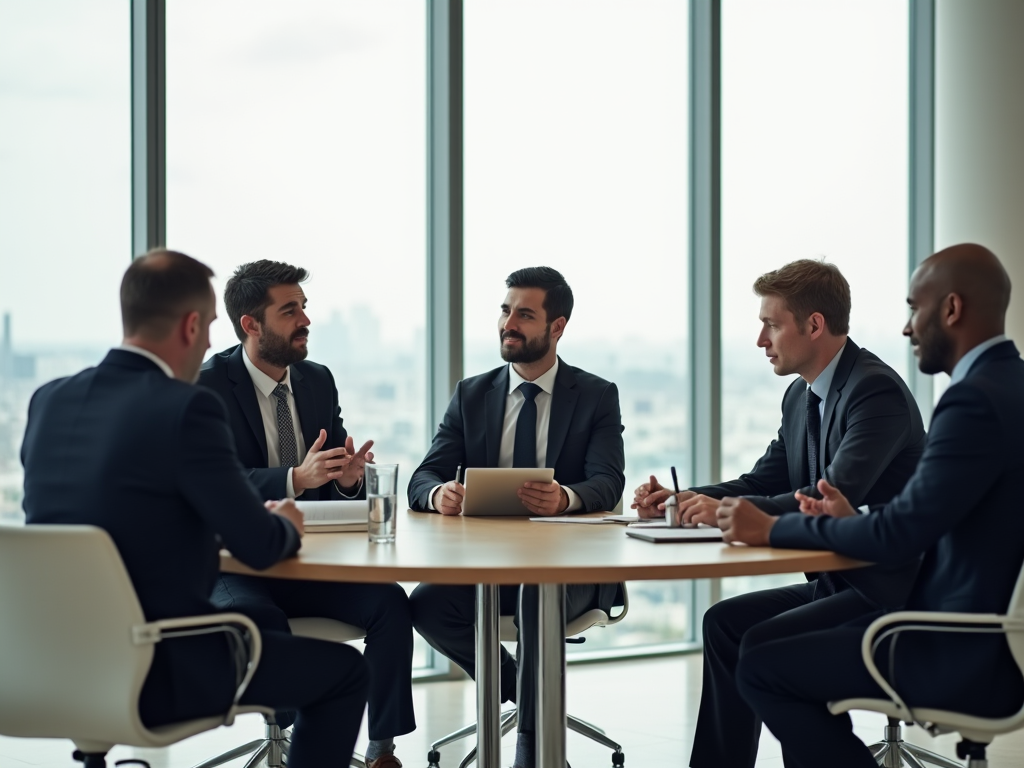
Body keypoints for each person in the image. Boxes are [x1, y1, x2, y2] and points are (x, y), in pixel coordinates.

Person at [20, 249, 367, 768]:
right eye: (207, 326)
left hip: (44, 664)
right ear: (188, 326)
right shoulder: (186, 406)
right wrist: (285, 522)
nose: (210, 340)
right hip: (158, 665)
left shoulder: (49, 399)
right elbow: (259, 545)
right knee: (345, 673)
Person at [720, 244, 1024, 768]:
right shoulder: (1008, 385)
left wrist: (770, 530)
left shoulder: (971, 400)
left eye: (914, 308)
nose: (907, 328)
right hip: (965, 622)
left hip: (947, 638)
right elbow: (917, 515)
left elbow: (901, 535)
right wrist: (848, 520)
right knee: (751, 640)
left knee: (763, 666)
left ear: (950, 310)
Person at [632, 259, 927, 768]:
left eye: (771, 324)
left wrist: (724, 511)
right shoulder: (800, 396)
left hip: (889, 588)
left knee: (764, 643)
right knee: (725, 622)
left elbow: (828, 495)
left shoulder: (873, 391)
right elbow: (762, 483)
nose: (760, 339)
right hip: (839, 582)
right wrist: (683, 501)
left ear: (814, 325)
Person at [199, 260, 415, 768]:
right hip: (236, 561)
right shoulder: (208, 387)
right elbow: (216, 484)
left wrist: (347, 478)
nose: (305, 320)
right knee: (260, 618)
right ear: (251, 324)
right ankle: (302, 736)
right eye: (290, 310)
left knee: (389, 605)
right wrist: (296, 478)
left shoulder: (317, 380)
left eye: (304, 307)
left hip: (306, 558)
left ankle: (382, 748)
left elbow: (332, 477)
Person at [407, 267, 625, 768]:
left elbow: (608, 481)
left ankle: (532, 748)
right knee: (427, 605)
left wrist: (565, 498)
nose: (509, 323)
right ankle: (528, 699)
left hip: (571, 572)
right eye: (506, 311)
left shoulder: (595, 395)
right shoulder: (472, 394)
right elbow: (424, 476)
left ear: (558, 326)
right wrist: (440, 493)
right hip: (485, 567)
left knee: (536, 595)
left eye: (524, 314)